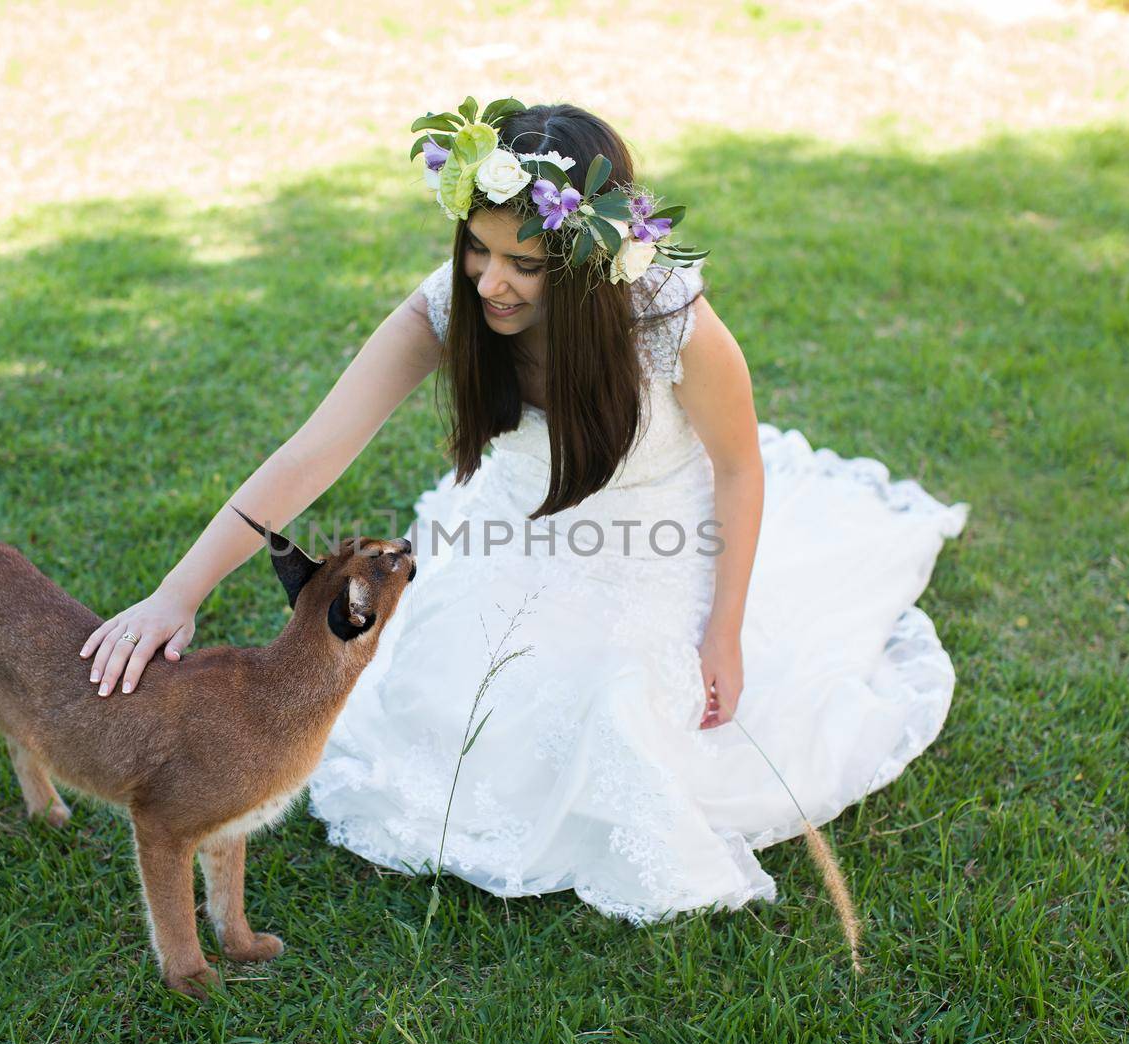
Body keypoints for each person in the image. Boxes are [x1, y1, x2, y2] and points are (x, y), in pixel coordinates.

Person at [80, 101, 968, 923]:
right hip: (511, 530)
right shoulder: (449, 305)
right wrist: (178, 591)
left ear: (587, 263)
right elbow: (314, 450)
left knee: (616, 705)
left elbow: (740, 467)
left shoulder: (668, 317)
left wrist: (723, 630)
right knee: (465, 719)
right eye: (477, 248)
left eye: (523, 264)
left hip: (656, 541)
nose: (490, 281)